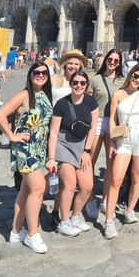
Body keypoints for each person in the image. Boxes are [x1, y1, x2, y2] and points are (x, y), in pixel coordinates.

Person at [0, 61, 53, 253]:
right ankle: (32, 234)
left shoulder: (45, 94)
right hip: (25, 148)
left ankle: (15, 230)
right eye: (36, 72)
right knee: (39, 187)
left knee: (25, 190)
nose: (40, 75)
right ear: (30, 75)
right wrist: (12, 136)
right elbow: (1, 115)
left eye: (44, 72)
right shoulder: (24, 94)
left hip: (39, 148)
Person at [104, 64, 139, 239]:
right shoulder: (118, 94)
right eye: (136, 76)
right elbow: (112, 120)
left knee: (136, 176)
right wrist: (111, 141)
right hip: (124, 139)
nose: (138, 80)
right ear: (130, 75)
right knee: (116, 179)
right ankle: (109, 220)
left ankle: (130, 210)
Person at [46, 70, 98, 236]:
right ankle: (64, 221)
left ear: (86, 85)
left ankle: (76, 216)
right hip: (62, 144)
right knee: (69, 184)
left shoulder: (91, 102)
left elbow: (93, 128)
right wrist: (51, 158)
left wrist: (87, 151)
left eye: (82, 83)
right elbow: (53, 132)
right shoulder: (61, 103)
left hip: (81, 147)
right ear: (71, 84)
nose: (78, 86)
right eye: (75, 82)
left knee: (87, 187)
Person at [85, 49, 126, 219]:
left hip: (114, 123)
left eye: (116, 61)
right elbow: (87, 102)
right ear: (105, 60)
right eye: (110, 59)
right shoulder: (94, 79)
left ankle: (106, 199)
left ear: (120, 63)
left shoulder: (123, 81)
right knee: (90, 161)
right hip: (97, 121)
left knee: (111, 162)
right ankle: (89, 199)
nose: (112, 63)